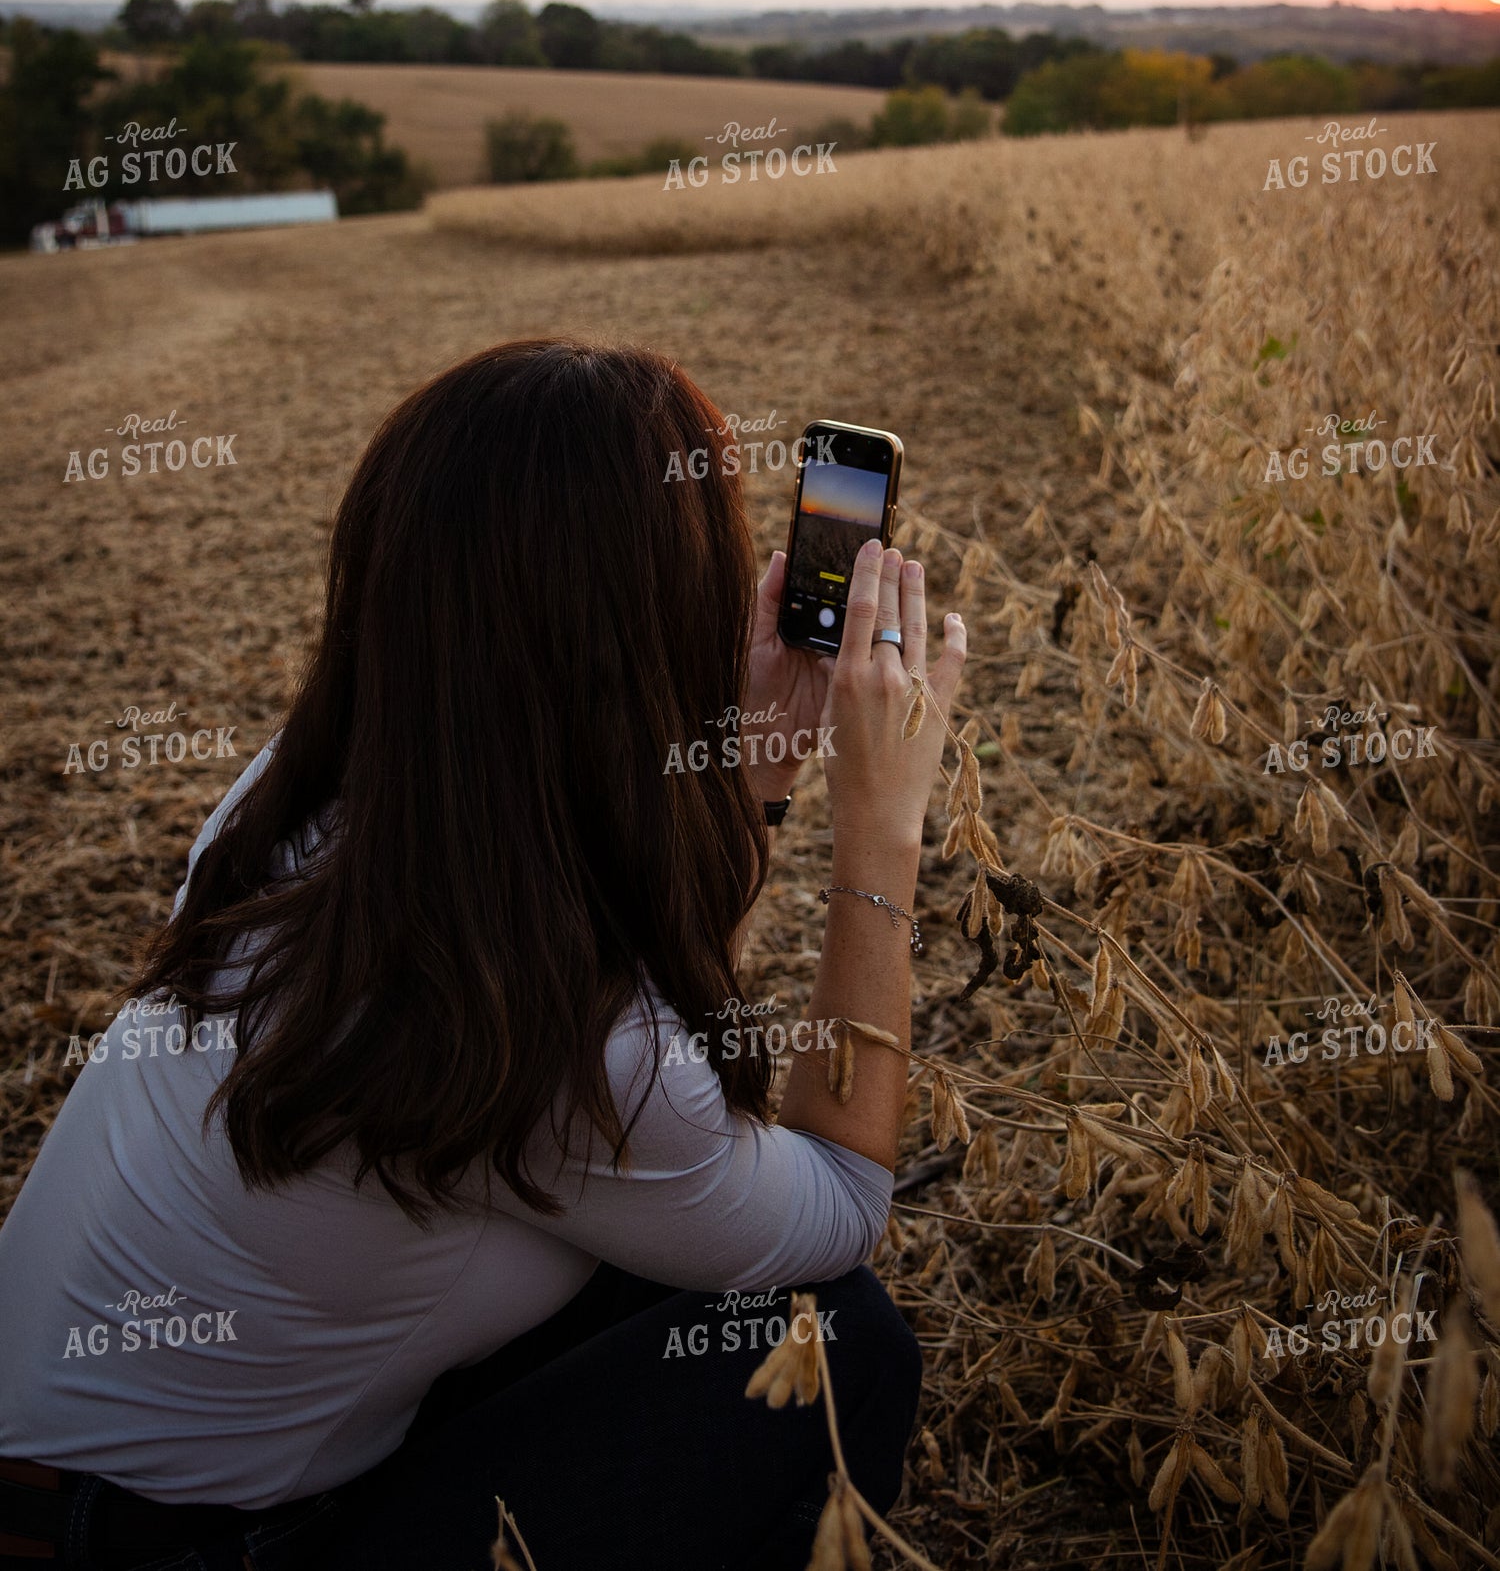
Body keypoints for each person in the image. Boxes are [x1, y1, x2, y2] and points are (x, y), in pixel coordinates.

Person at [0, 339, 966, 1570]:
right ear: (650, 626)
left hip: (57, 1490)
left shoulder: (305, 808)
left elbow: (646, 1022)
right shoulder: (561, 1045)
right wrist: (879, 832)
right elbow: (839, 1205)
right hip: (162, 1550)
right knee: (839, 1346)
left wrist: (748, 785)